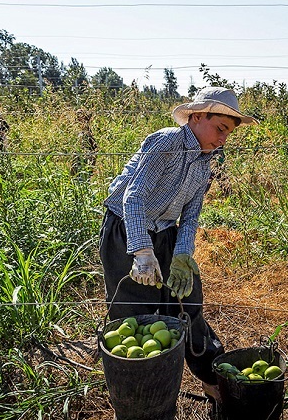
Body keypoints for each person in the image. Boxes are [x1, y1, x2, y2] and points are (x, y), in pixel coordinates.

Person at [99, 87, 257, 401]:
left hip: (166, 232)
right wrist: (142, 250)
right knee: (134, 310)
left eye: (228, 134)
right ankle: (137, 390)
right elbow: (135, 196)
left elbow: (192, 213)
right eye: (220, 129)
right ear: (198, 116)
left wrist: (183, 254)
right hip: (127, 228)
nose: (223, 138)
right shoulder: (168, 141)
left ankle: (211, 377)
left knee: (187, 302)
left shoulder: (204, 161)